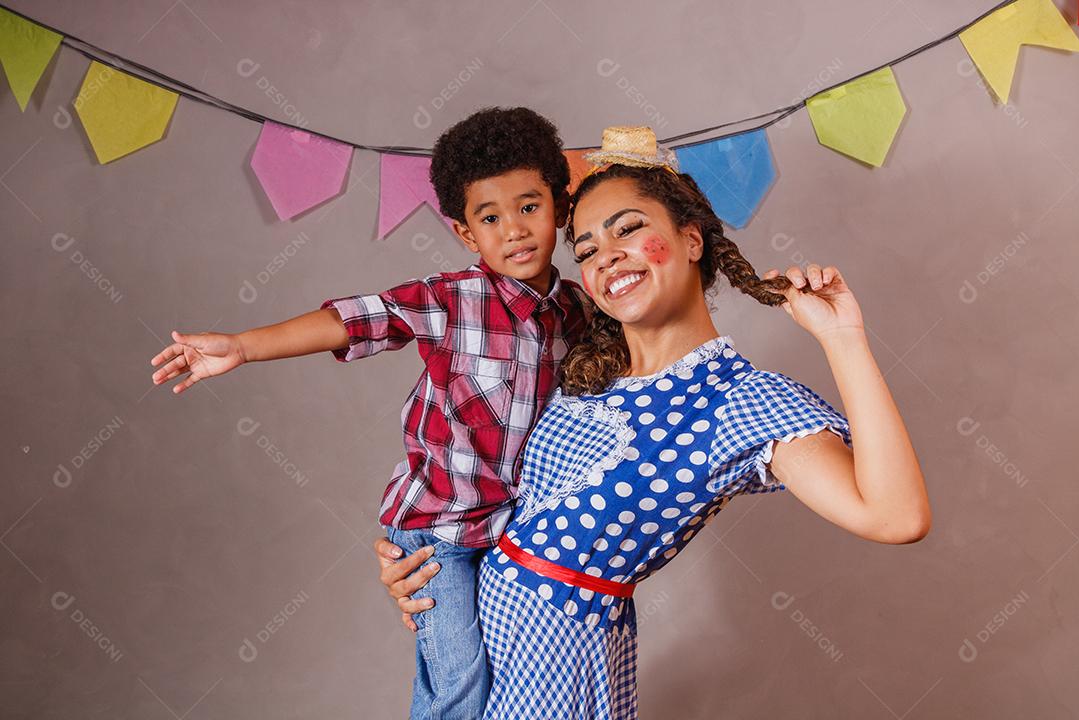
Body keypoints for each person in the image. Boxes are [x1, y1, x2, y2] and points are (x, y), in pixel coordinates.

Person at [375, 126, 931, 719]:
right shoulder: (580, 362)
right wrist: (419, 557)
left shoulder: (741, 402)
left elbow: (896, 517)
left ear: (691, 239)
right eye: (585, 250)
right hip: (479, 641)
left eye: (629, 229)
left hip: (556, 668)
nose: (605, 256)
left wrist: (843, 340)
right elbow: (464, 451)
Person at [148, 107, 590, 720]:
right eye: (490, 217)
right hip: (438, 533)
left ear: (560, 207)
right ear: (466, 234)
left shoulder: (579, 312)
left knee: (521, 687)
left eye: (530, 206)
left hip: (514, 534)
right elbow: (353, 319)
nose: (513, 229)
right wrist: (244, 346)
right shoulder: (451, 300)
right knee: (460, 685)